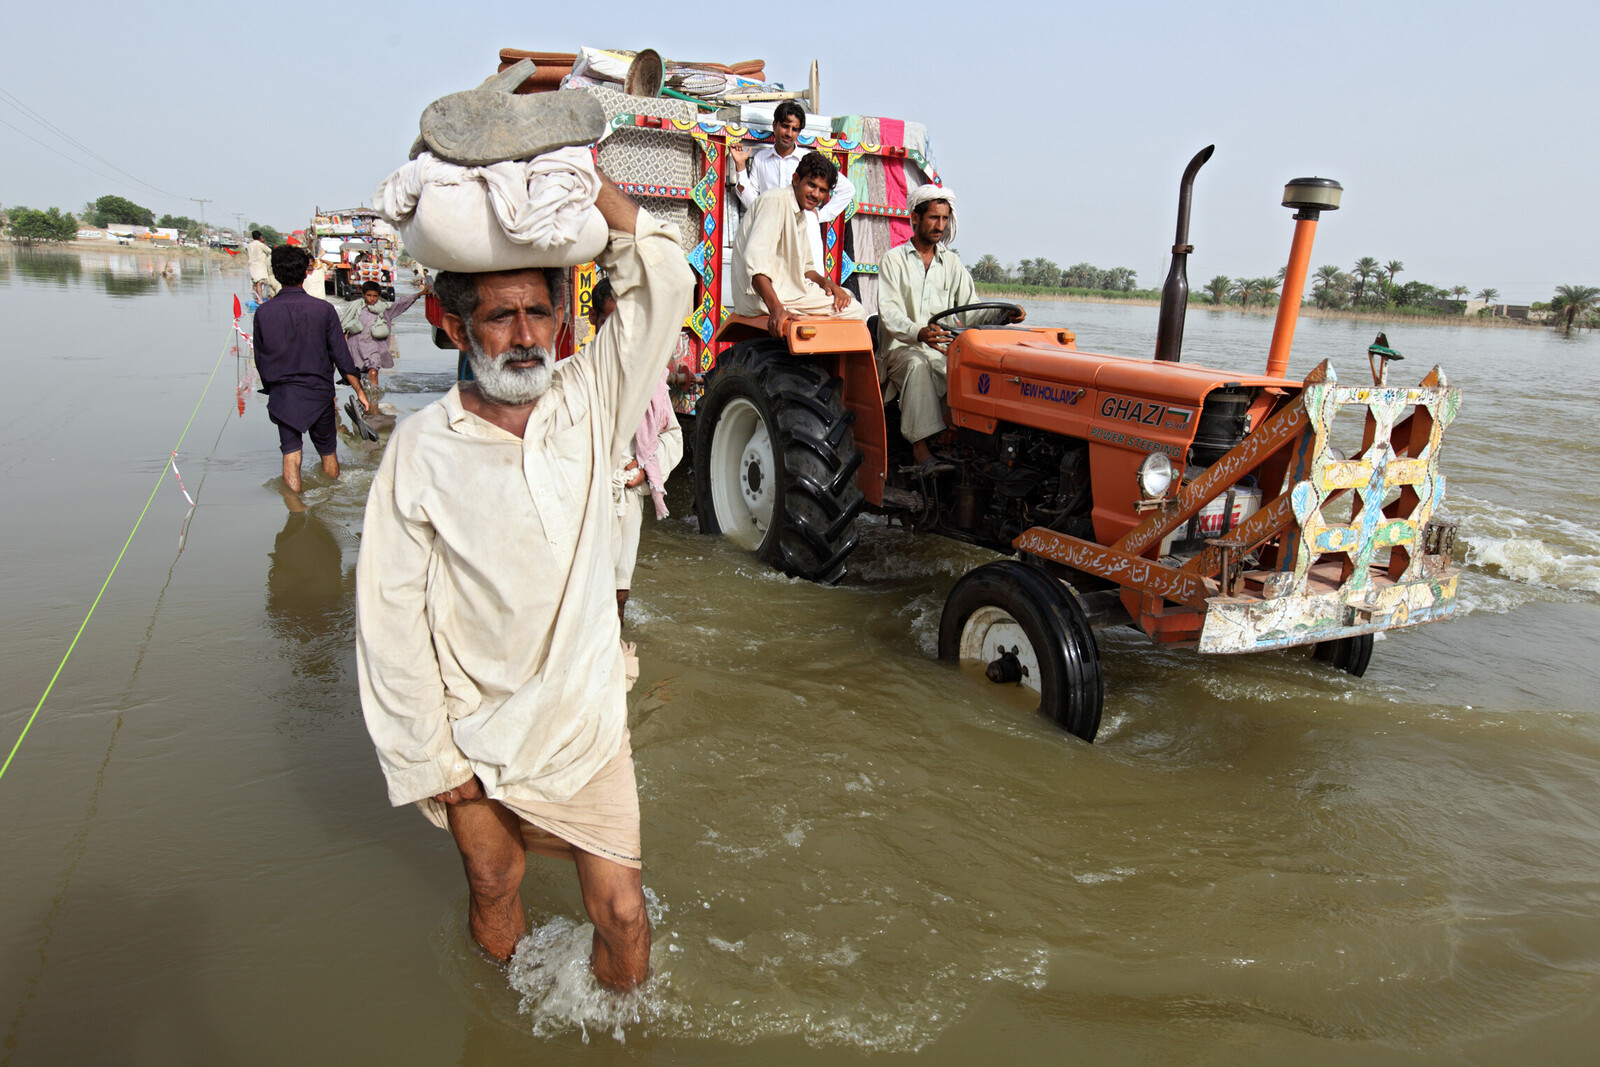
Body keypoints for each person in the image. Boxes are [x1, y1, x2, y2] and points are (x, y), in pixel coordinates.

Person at [355, 170, 694, 991]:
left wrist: (588, 180)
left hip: (583, 717)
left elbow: (667, 276)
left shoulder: (591, 397)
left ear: (566, 318)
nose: (524, 334)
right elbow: (390, 618)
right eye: (500, 315)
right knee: (493, 883)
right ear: (454, 324)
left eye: (539, 311)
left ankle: (622, 1044)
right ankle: (503, 1022)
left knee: (621, 913)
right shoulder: (420, 450)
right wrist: (435, 761)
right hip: (476, 727)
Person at [877, 185, 1025, 473]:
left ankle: (960, 441)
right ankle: (920, 450)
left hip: (941, 349)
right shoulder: (893, 260)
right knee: (917, 364)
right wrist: (918, 332)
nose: (940, 226)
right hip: (901, 349)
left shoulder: (952, 263)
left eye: (944, 219)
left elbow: (970, 309)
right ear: (915, 219)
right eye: (934, 218)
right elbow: (890, 313)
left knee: (971, 369)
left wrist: (1002, 313)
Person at [589, 278, 684, 626]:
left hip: (627, 493)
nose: (621, 333)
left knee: (618, 591)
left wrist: (645, 467)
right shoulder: (578, 376)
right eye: (611, 322)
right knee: (579, 589)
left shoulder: (650, 382)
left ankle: (615, 666)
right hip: (587, 491)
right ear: (594, 320)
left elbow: (673, 436)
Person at [252, 245, 371, 494]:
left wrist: (272, 389)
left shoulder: (263, 313)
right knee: (328, 453)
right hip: (319, 393)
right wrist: (359, 391)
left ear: (275, 273)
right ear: (306, 273)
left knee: (291, 455)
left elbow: (260, 358)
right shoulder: (323, 310)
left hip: (284, 395)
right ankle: (331, 503)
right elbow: (342, 355)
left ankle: (296, 512)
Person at [732, 152, 865, 338]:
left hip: (784, 291)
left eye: (822, 190)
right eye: (812, 185)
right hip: (761, 298)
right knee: (855, 312)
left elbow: (806, 268)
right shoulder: (776, 201)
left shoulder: (800, 212)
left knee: (845, 295)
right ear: (796, 179)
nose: (816, 194)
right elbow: (755, 265)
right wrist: (776, 308)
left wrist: (830, 285)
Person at [728, 100, 855, 277]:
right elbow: (754, 203)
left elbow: (847, 189)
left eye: (794, 129)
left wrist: (820, 215)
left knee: (811, 276)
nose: (789, 133)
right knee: (773, 278)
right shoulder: (762, 159)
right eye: (785, 126)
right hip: (772, 226)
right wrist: (741, 167)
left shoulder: (808, 160)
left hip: (804, 225)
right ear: (775, 125)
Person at [340, 280, 424, 393]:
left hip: (374, 349)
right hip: (356, 349)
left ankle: (374, 404)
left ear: (379, 296)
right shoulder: (354, 308)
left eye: (375, 296)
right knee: (361, 380)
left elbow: (400, 304)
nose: (372, 299)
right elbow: (343, 326)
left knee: (373, 373)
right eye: (369, 295)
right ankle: (365, 402)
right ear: (363, 294)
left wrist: (419, 294)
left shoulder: (384, 310)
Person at [247, 230, 276, 302]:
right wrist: (264, 243)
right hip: (260, 265)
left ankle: (256, 298)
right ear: (260, 237)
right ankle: (260, 299)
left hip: (252, 266)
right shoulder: (260, 244)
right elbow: (270, 251)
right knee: (260, 282)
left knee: (255, 283)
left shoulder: (249, 245)